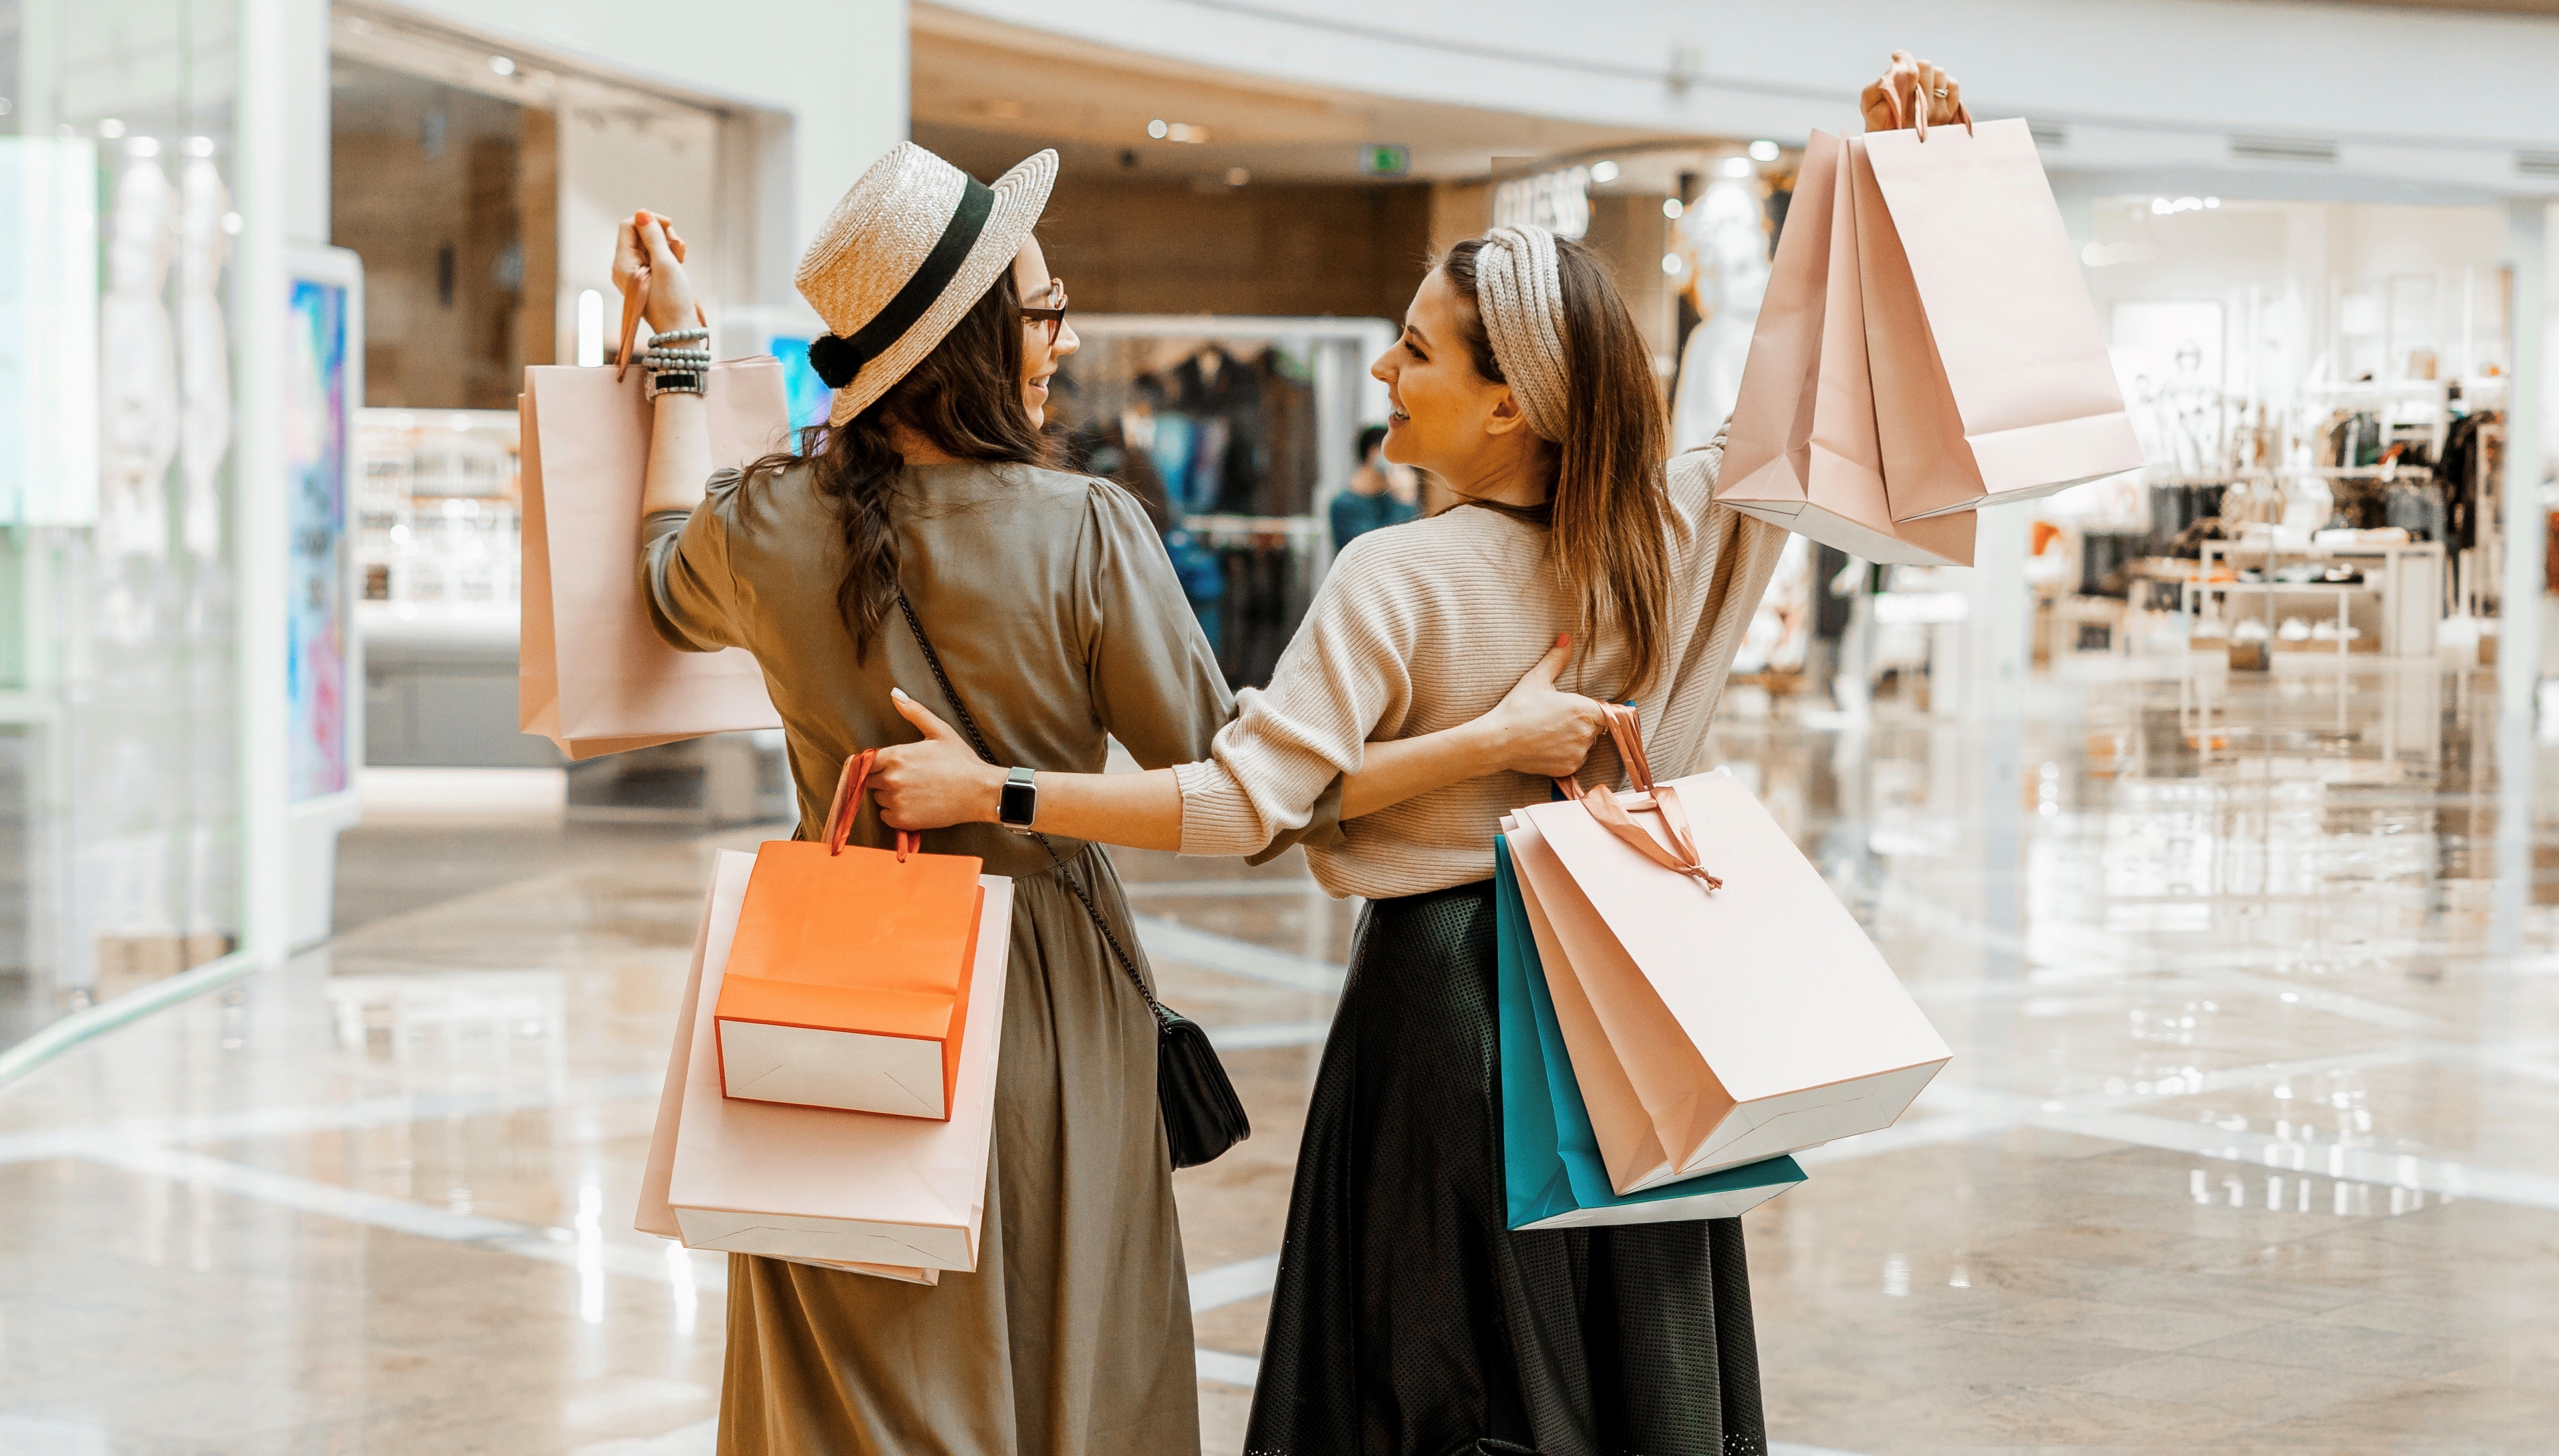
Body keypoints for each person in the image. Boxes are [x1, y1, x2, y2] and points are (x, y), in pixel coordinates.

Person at [866, 54, 1971, 1456]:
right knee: (1628, 1366)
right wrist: (1897, 182)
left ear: (1509, 403)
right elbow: (1824, 383)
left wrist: (995, 790)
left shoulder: (1395, 575)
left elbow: (1233, 806)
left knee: (1434, 1376)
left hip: (1448, 1004)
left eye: (1413, 351)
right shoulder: (1678, 527)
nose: (1382, 372)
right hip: (1636, 992)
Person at [620, 142, 1609, 1456]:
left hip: (831, 990)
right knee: (1070, 1354)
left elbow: (649, 575)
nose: (1064, 338)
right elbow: (1264, 793)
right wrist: (1485, 738)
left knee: (845, 1368)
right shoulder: (1087, 531)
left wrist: (678, 350)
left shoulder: (762, 525)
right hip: (1050, 998)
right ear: (975, 342)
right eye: (1043, 311)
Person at [1328, 423, 1420, 552]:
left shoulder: (1392, 496)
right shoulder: (1344, 504)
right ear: (1374, 453)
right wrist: (1404, 502)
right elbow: (1376, 549)